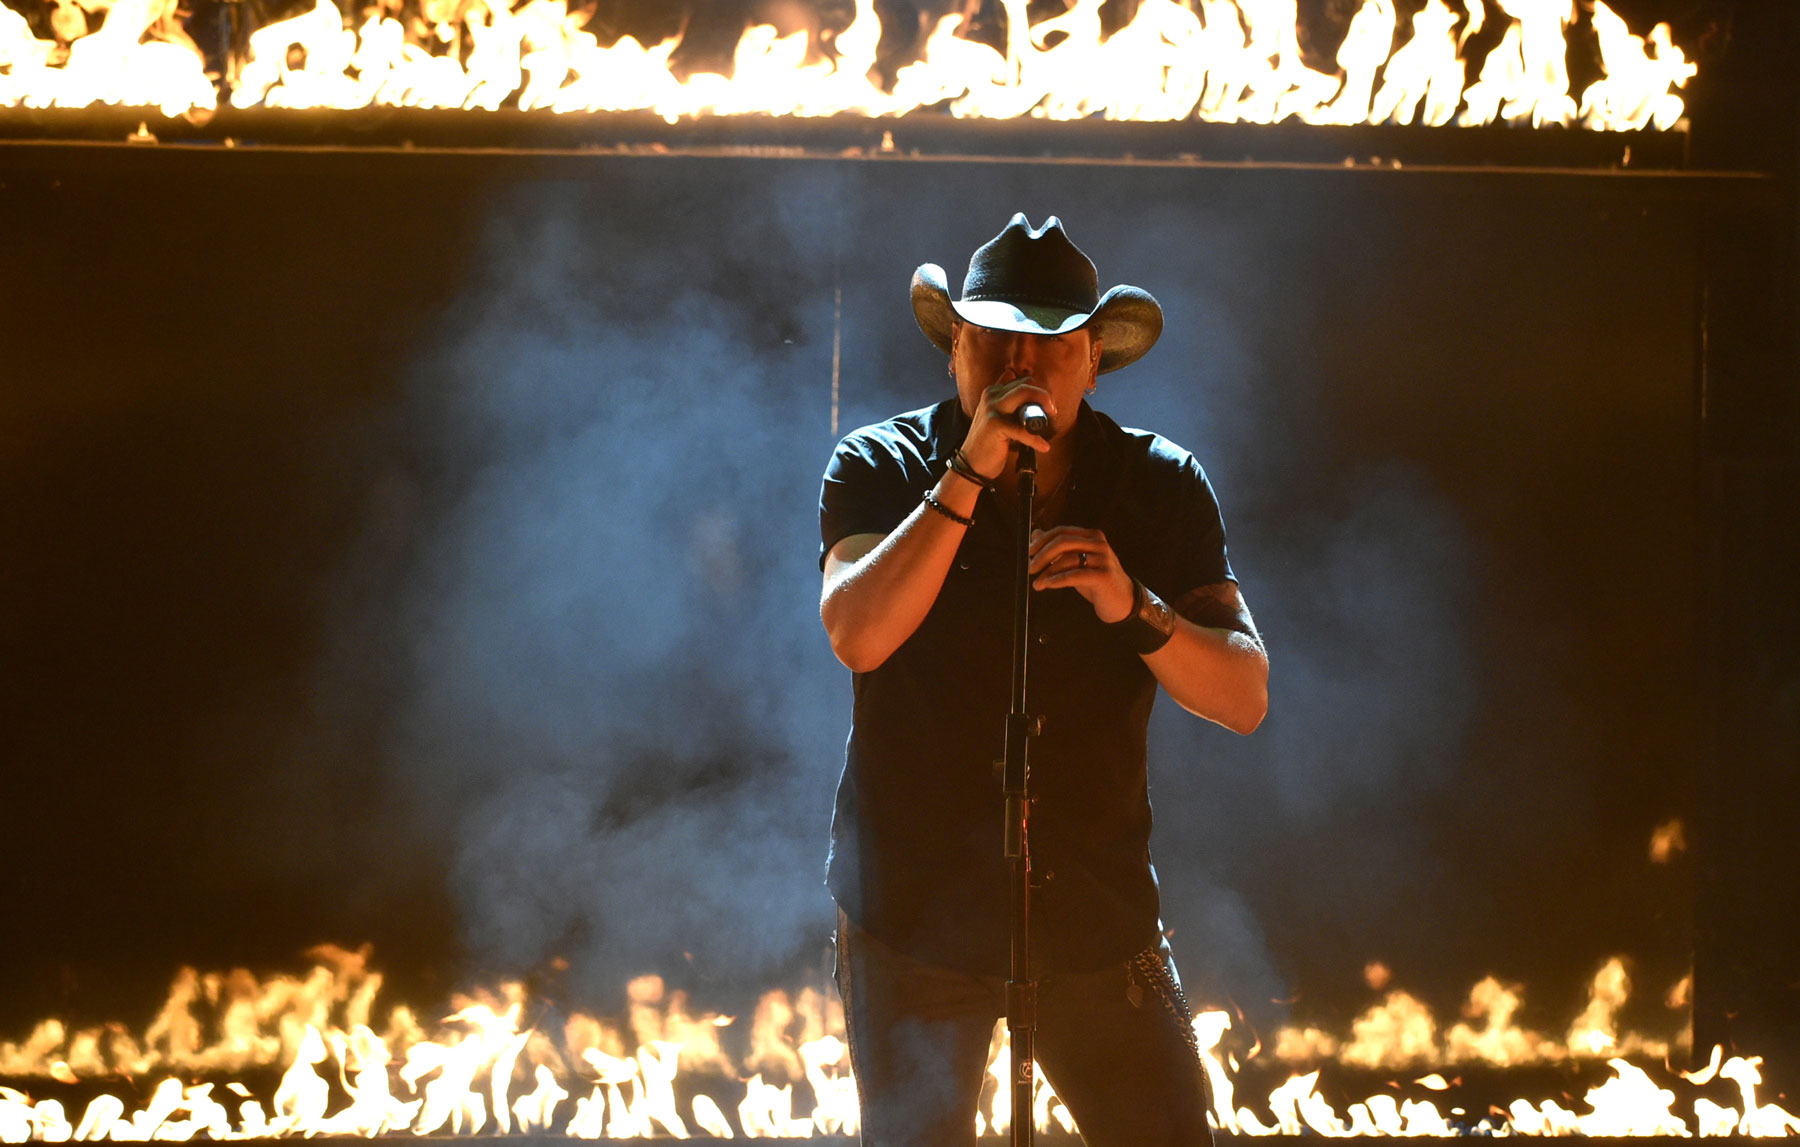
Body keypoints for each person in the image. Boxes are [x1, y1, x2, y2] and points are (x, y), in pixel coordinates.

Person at [817, 214, 1268, 1146]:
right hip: (914, 912)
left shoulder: (1160, 483)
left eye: (1050, 342)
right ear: (955, 352)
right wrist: (968, 474)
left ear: (1093, 358)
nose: (1021, 361)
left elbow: (1243, 694)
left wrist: (1133, 604)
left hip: (1093, 910)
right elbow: (857, 633)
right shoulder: (880, 464)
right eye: (994, 338)